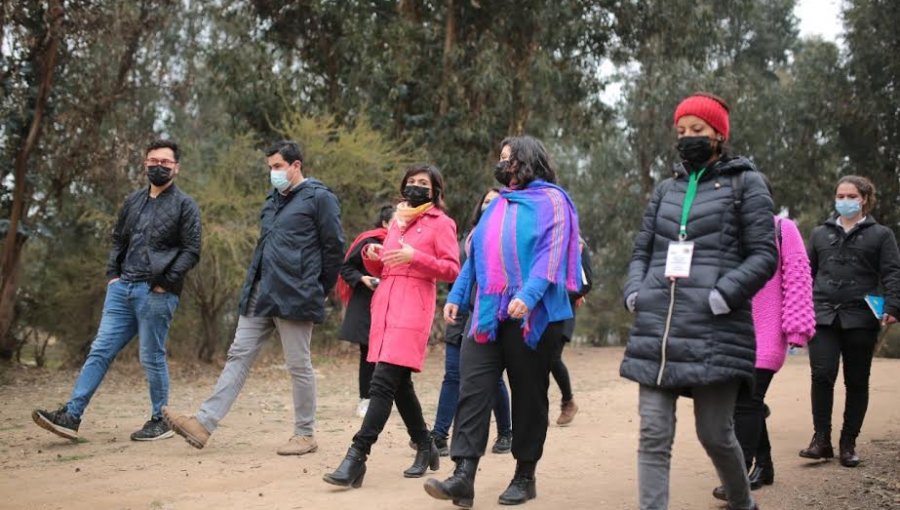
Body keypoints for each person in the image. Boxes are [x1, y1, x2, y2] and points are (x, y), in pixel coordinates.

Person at [619, 93, 776, 510]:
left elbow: (765, 255)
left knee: (715, 434)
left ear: (719, 135)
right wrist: (636, 292)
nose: (687, 138)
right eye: (681, 131)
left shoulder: (747, 184)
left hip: (716, 329)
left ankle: (743, 503)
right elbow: (641, 251)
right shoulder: (666, 190)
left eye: (698, 131)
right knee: (653, 433)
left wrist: (723, 295)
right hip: (659, 328)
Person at [425, 135, 581, 508]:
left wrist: (526, 296)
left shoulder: (554, 202)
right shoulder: (498, 205)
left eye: (508, 159)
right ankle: (464, 475)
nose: (502, 165)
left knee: (529, 395)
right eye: (500, 159)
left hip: (533, 315)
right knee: (473, 388)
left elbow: (551, 254)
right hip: (488, 312)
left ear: (527, 161)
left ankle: (525, 475)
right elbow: (476, 255)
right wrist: (458, 298)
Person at [162, 140, 344, 456]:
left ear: (296, 166)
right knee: (238, 355)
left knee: (298, 364)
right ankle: (203, 423)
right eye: (270, 168)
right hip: (261, 292)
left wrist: (317, 288)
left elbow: (334, 248)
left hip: (296, 294)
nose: (272, 173)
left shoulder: (320, 198)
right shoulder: (273, 200)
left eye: (277, 167)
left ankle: (305, 433)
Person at [32, 139, 201, 442]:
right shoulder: (133, 201)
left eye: (164, 162)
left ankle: (159, 420)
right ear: (145, 163)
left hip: (156, 293)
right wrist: (113, 275)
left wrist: (165, 282)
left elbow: (191, 250)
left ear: (177, 167)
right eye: (152, 160)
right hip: (122, 290)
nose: (158, 166)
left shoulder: (185, 205)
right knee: (99, 350)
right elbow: (118, 240)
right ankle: (71, 416)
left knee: (151, 356)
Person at [323, 164, 460, 488]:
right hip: (384, 305)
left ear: (435, 190)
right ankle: (426, 445)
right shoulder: (398, 220)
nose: (415, 187)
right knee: (399, 385)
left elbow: (452, 269)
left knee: (382, 383)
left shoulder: (442, 223)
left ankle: (357, 456)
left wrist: (415, 257)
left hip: (414, 308)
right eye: (410, 182)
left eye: (422, 183)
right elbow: (388, 262)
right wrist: (374, 255)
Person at [713, 210, 815, 500]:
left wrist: (797, 329)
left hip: (768, 330)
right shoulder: (725, 229)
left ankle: (738, 477)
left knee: (748, 401)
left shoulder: (784, 229)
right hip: (731, 330)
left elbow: (797, 278)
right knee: (744, 402)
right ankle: (765, 466)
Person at [800, 175, 900, 468]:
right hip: (823, 314)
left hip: (860, 316)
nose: (844, 201)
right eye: (840, 196)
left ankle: (848, 443)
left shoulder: (881, 235)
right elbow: (805, 274)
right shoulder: (820, 234)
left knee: (856, 381)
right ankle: (821, 440)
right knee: (822, 374)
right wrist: (800, 309)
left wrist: (894, 306)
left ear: (864, 199)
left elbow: (892, 272)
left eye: (850, 196)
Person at [429, 188, 513, 457]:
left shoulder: (505, 236)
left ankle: (505, 431)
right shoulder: (468, 239)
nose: (489, 205)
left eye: (495, 201)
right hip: (461, 313)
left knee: (493, 379)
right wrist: (454, 299)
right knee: (452, 375)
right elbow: (462, 274)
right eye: (485, 201)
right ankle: (440, 435)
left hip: (487, 313)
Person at [336, 204, 394, 418]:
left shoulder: (406, 245)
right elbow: (346, 268)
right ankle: (365, 398)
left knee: (393, 356)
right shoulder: (369, 242)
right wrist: (363, 279)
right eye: (395, 221)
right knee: (368, 354)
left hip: (395, 306)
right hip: (367, 306)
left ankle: (388, 398)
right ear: (386, 223)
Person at [554, 238, 593, 426]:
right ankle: (538, 410)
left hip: (563, 311)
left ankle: (568, 401)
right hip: (539, 311)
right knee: (537, 360)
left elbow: (585, 284)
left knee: (552, 357)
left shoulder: (578, 245)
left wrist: (558, 296)